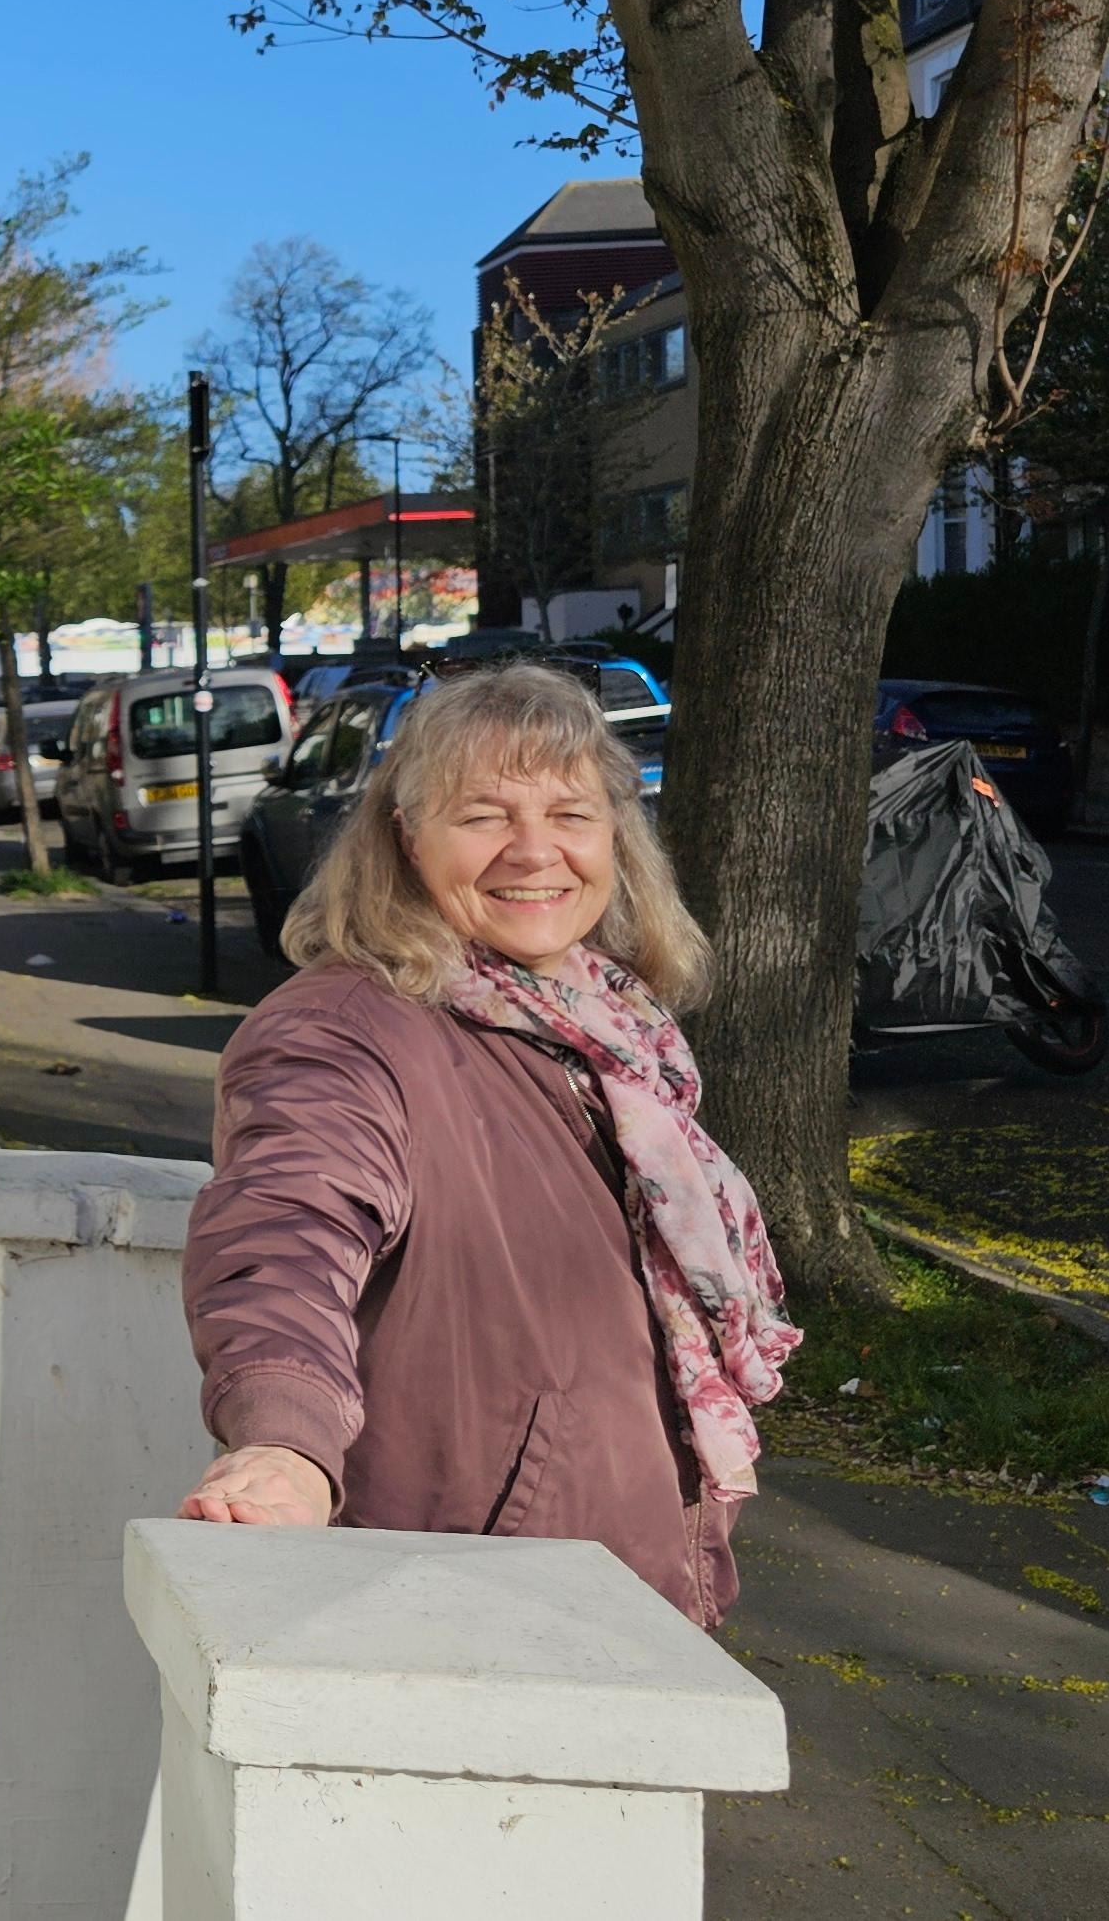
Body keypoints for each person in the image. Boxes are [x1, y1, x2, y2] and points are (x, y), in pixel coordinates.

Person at [174, 661, 798, 1626]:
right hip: (468, 1601)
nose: (534, 851)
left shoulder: (606, 1028)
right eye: (482, 816)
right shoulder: (342, 1031)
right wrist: (285, 1442)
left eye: (570, 814)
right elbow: (285, 1231)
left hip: (618, 1584)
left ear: (616, 836)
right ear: (406, 840)